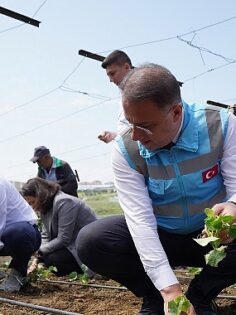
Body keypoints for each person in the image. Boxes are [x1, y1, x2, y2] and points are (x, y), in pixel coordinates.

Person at [77, 64, 236, 315]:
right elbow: (140, 222)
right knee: (93, 241)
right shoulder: (125, 149)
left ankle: (201, 296)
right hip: (164, 236)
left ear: (175, 112)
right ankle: (154, 298)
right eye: (131, 124)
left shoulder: (221, 125)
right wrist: (170, 291)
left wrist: (234, 205)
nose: (137, 135)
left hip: (212, 238)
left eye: (145, 126)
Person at [21, 177, 97, 277]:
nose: (32, 207)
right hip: (70, 245)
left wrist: (39, 252)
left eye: (33, 202)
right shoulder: (45, 206)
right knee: (47, 257)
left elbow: (64, 238)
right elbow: (45, 235)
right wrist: (38, 257)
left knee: (53, 260)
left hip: (85, 246)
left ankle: (90, 269)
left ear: (41, 195)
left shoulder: (64, 202)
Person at [0, 179, 41, 292]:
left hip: (26, 233)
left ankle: (18, 271)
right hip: (4, 237)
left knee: (15, 233)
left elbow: (0, 220)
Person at [98, 50, 133, 143]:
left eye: (112, 73)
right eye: (108, 75)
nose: (110, 80)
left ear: (126, 67)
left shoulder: (144, 90)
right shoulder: (124, 93)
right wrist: (114, 136)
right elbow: (130, 129)